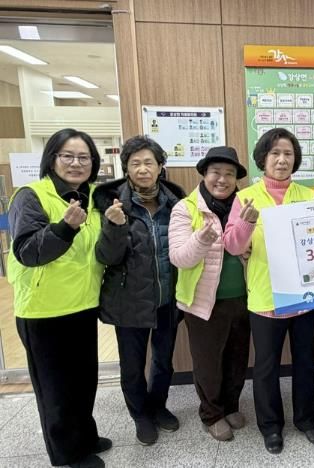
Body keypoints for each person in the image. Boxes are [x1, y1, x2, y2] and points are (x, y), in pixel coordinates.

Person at [7, 128, 111, 467]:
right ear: (52, 159)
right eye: (68, 156)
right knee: (56, 388)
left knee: (84, 380)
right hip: (43, 310)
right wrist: (64, 228)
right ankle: (68, 453)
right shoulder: (31, 196)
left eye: (84, 157)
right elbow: (27, 251)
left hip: (83, 305)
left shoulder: (92, 197)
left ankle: (85, 436)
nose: (76, 163)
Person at [223, 128, 314, 454]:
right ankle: (270, 426)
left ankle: (306, 419)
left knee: (305, 362)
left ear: (295, 159)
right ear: (263, 159)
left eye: (288, 154)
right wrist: (246, 224)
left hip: (305, 296)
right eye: (275, 153)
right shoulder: (245, 197)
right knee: (266, 367)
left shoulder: (308, 195)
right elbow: (233, 245)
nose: (282, 160)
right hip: (265, 296)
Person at [93, 136, 184, 446]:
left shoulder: (175, 204)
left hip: (167, 299)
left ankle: (158, 406)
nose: (143, 169)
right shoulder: (112, 204)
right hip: (128, 301)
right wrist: (114, 227)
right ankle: (140, 415)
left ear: (160, 167)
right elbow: (106, 257)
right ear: (126, 169)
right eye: (135, 164)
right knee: (132, 366)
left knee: (164, 361)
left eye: (149, 163)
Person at [168, 146, 250, 442]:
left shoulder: (245, 205)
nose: (222, 179)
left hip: (243, 298)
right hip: (204, 302)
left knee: (237, 358)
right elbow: (179, 258)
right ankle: (212, 414)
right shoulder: (186, 208)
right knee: (208, 363)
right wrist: (202, 239)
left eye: (230, 174)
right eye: (216, 172)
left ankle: (231, 405)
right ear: (204, 174)